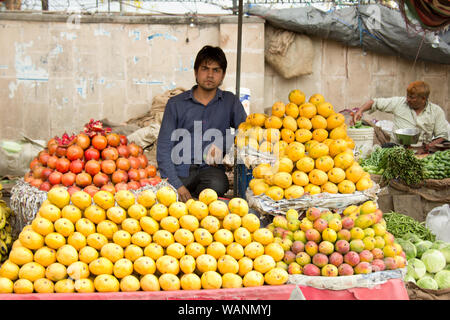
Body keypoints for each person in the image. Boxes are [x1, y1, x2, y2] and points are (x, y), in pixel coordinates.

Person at [157, 45, 247, 202]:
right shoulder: (176, 104)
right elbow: (163, 148)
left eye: (216, 70)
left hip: (209, 172)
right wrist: (177, 185)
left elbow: (247, 133)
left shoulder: (230, 101)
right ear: (196, 72)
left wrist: (224, 142)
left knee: (219, 185)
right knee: (169, 193)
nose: (210, 75)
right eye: (205, 69)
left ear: (223, 75)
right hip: (180, 170)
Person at [353, 80, 448, 151]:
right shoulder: (399, 103)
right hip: (397, 149)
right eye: (407, 96)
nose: (407, 100)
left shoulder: (436, 111)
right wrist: (360, 111)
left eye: (411, 97)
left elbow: (442, 135)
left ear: (423, 99)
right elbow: (374, 102)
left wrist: (430, 146)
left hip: (423, 152)